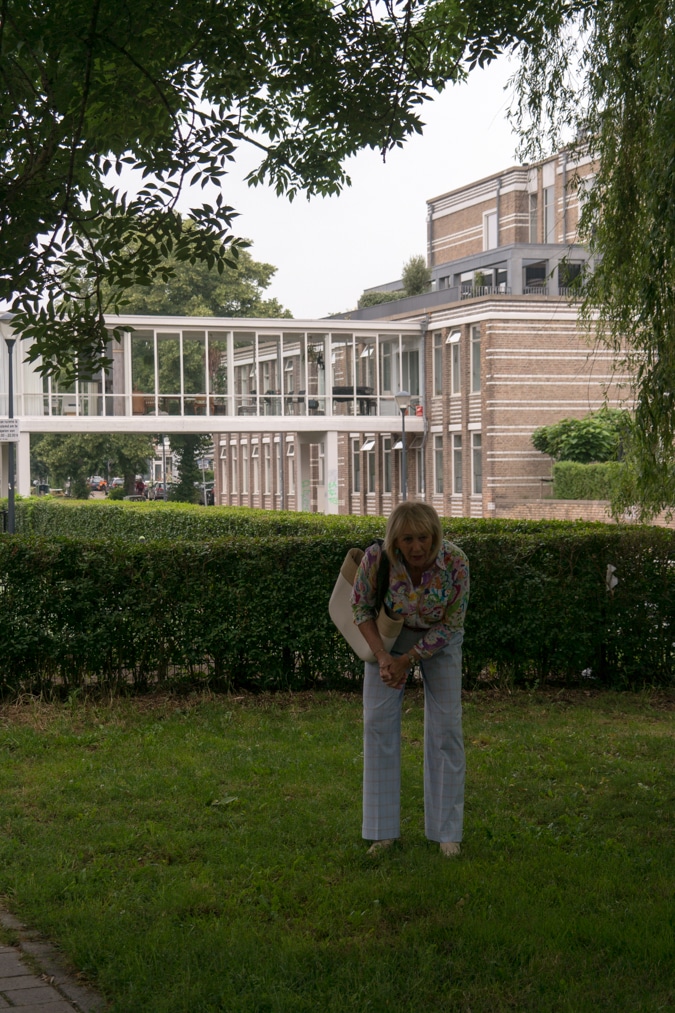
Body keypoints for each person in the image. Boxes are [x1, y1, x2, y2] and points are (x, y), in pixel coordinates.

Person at [351, 502, 469, 857]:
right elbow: (360, 607)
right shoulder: (376, 559)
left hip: (440, 640)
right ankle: (382, 832)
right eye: (407, 539)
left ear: (435, 536)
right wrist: (384, 657)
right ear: (395, 540)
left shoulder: (455, 562)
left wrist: (408, 660)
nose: (417, 547)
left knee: (446, 727)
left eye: (423, 538)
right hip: (389, 638)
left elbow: (452, 624)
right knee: (377, 723)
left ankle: (446, 834)